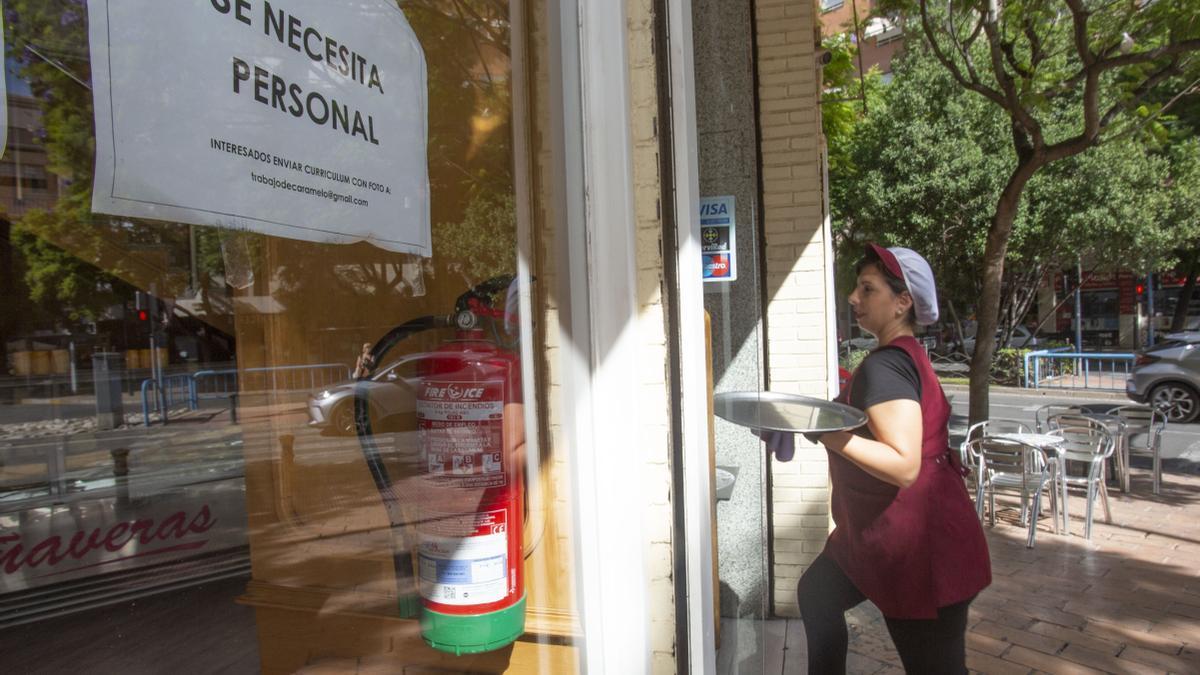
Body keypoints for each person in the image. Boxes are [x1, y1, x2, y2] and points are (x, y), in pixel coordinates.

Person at [799, 243, 991, 674]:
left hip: (919, 552)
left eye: (868, 289)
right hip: (881, 540)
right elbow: (855, 417)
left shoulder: (887, 366)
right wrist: (798, 421)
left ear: (902, 301)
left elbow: (903, 464)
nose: (853, 297)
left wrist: (828, 436)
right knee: (818, 593)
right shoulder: (902, 359)